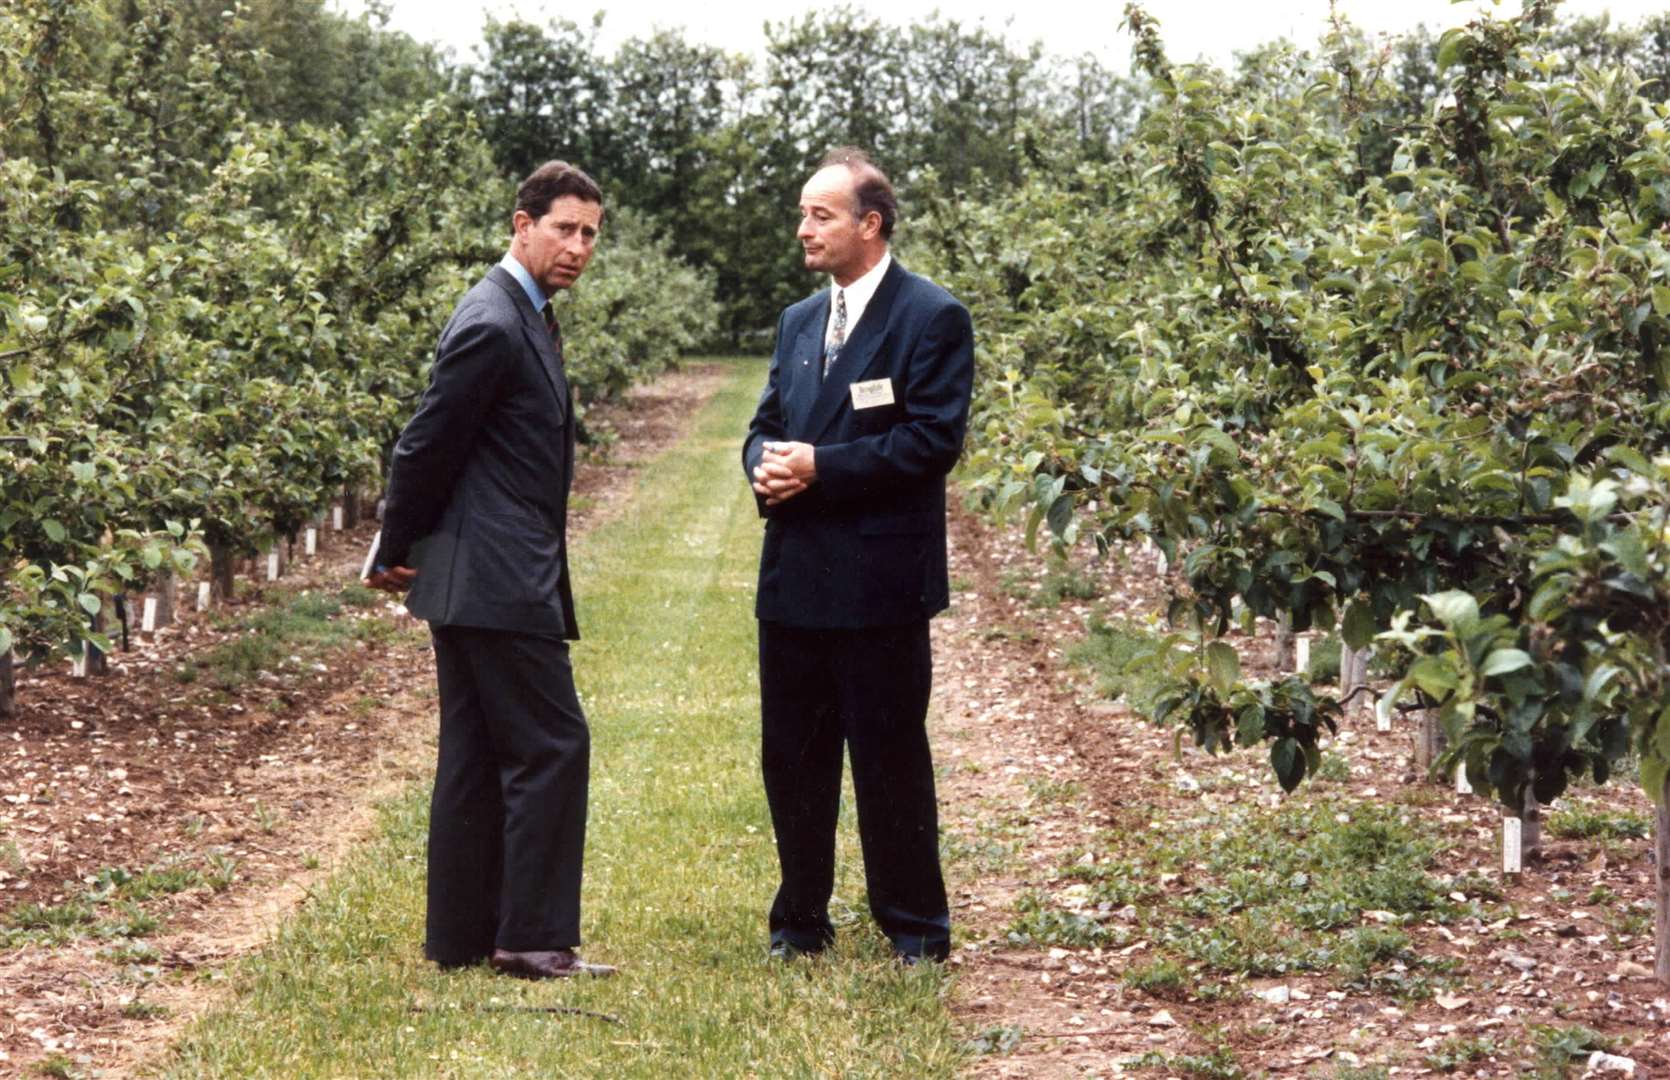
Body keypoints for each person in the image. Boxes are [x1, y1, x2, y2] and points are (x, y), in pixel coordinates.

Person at [366, 161, 614, 980]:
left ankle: (463, 936)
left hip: (487, 572)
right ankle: (533, 937)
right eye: (563, 229)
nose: (577, 246)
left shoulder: (527, 314)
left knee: (475, 753)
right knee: (552, 743)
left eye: (589, 233)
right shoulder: (494, 320)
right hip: (496, 575)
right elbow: (427, 441)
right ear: (521, 224)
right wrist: (394, 545)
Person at [742, 147, 975, 964]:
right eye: (804, 213)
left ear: (869, 225)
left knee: (888, 761)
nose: (803, 228)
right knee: (793, 762)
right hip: (795, 579)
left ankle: (914, 927)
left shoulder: (931, 317)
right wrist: (764, 466)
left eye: (821, 214)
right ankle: (799, 921)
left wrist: (821, 467)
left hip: (879, 585)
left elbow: (930, 441)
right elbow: (766, 423)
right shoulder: (800, 321)